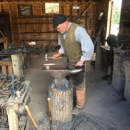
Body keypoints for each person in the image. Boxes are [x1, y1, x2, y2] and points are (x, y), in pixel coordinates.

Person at [52, 14, 94, 115]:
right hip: (70, 61)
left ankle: (79, 106)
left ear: (64, 23)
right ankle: (69, 101)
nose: (57, 30)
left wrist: (82, 60)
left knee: (79, 84)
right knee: (70, 82)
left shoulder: (78, 30)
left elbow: (89, 46)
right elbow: (63, 44)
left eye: (58, 27)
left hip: (79, 61)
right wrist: (59, 53)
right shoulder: (61, 32)